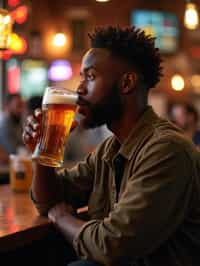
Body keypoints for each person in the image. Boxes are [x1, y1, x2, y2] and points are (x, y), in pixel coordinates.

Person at [23, 26, 200, 266]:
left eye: (91, 76)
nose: (79, 89)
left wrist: (63, 218)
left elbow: (112, 246)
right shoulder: (110, 149)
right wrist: (42, 152)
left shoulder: (167, 150)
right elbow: (49, 200)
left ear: (126, 83)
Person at [0, 93, 25, 163]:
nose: (21, 110)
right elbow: (13, 150)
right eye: (18, 106)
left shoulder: (15, 121)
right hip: (4, 168)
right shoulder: (4, 124)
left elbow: (22, 143)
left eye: (22, 106)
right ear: (8, 106)